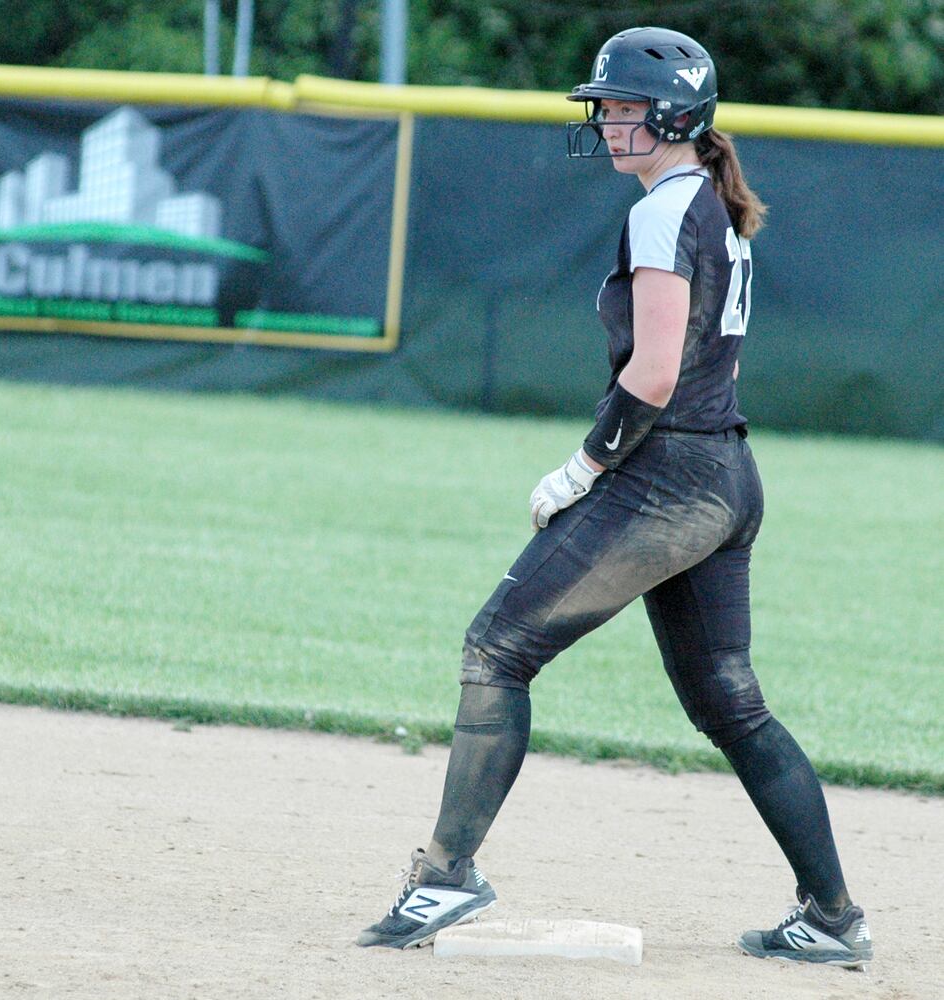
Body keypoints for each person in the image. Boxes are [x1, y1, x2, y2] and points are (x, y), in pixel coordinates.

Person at [356, 26, 872, 968]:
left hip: (670, 478)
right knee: (729, 703)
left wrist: (582, 467)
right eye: (606, 108)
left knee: (495, 648)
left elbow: (656, 372)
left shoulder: (664, 207)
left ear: (674, 114)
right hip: (722, 477)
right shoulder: (702, 199)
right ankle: (833, 917)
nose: (605, 123)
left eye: (623, 108)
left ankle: (447, 873)